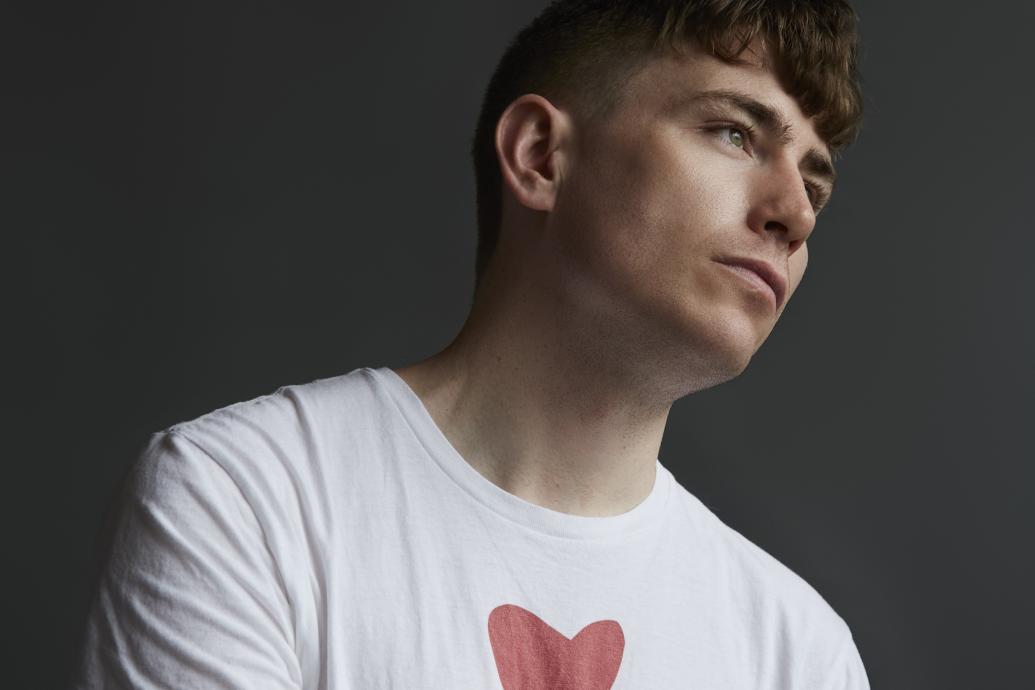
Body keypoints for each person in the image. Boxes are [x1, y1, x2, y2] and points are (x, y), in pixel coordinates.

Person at [73, 0, 869, 687]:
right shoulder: (244, 500)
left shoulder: (800, 654)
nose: (792, 214)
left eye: (815, 182)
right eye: (733, 133)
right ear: (539, 156)